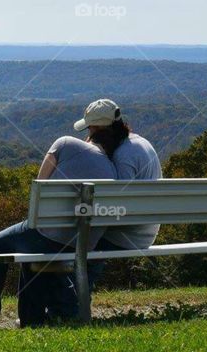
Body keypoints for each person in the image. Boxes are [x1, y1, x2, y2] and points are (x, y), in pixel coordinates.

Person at [0, 102, 121, 330]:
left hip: (49, 235)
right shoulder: (112, 169)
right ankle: (31, 319)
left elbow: (39, 190)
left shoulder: (64, 144)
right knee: (31, 252)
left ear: (92, 128)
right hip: (81, 243)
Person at [82, 100, 163, 290]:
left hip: (130, 235)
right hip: (147, 229)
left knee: (72, 247)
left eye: (89, 129)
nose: (88, 135)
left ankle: (69, 308)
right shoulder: (139, 142)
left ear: (98, 129)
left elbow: (119, 207)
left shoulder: (122, 157)